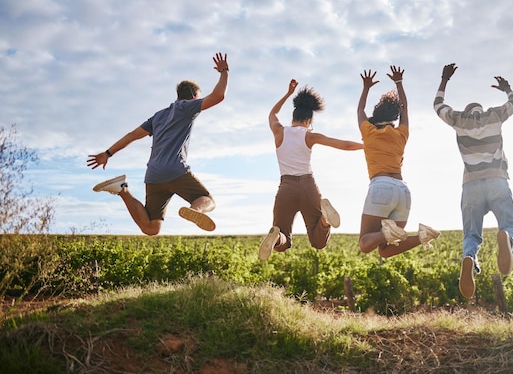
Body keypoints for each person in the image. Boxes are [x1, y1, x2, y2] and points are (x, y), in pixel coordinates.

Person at [87, 53, 229, 236]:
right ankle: (196, 211)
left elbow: (132, 135)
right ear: (194, 97)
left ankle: (122, 190)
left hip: (154, 175)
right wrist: (224, 71)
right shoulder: (187, 107)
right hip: (175, 170)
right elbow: (218, 96)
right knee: (207, 200)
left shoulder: (158, 116)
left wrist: (107, 153)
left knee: (151, 228)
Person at [434, 63, 513, 299]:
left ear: (467, 110)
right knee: (510, 224)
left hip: (471, 185)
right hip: (497, 181)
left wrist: (444, 79)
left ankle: (469, 258)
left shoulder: (459, 120)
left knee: (471, 235)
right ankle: (508, 239)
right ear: (480, 109)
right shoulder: (493, 115)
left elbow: (438, 106)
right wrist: (507, 88)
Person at [258, 79, 364, 261]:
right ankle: (324, 219)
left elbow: (272, 114)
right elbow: (344, 144)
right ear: (308, 121)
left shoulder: (279, 131)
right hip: (308, 186)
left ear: (293, 118)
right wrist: (366, 146)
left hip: (286, 188)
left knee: (283, 241)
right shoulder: (310, 135)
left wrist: (288, 93)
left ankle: (277, 237)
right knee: (318, 242)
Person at [356, 66, 440, 259]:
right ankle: (422, 236)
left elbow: (360, 109)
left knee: (365, 243)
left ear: (374, 119)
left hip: (381, 186)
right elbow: (404, 108)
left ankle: (387, 232)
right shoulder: (401, 133)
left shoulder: (368, 132)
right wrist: (399, 83)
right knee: (386, 250)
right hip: (403, 191)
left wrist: (366, 87)